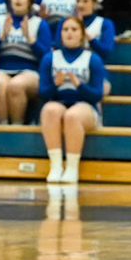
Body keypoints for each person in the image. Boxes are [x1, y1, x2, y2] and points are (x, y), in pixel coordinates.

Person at [39, 15, 107, 185]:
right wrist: (55, 85)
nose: (69, 33)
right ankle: (55, 166)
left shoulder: (93, 59)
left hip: (86, 107)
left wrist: (79, 85)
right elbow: (43, 94)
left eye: (74, 29)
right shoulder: (50, 58)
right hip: (59, 102)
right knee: (49, 110)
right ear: (60, 34)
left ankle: (72, 167)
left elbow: (97, 95)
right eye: (65, 29)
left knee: (72, 116)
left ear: (82, 34)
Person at [0, 0, 50, 125]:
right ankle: (3, 127)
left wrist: (30, 39)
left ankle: (17, 127)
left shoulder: (39, 23)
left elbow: (47, 57)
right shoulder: (0, 21)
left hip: (30, 70)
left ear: (30, 1)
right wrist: (1, 37)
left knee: (16, 85)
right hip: (2, 68)